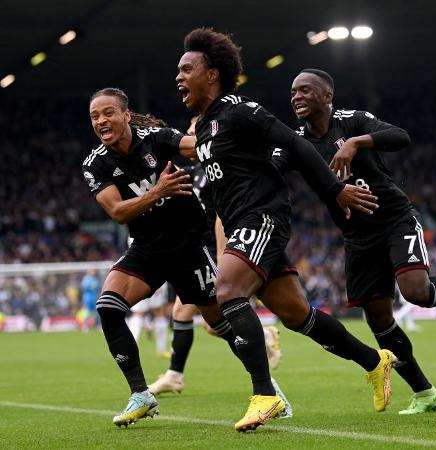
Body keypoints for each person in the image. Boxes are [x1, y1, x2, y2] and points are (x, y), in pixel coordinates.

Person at [176, 28, 397, 432]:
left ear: (212, 74)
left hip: (261, 218)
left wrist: (335, 190)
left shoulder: (241, 112)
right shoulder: (205, 127)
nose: (179, 77)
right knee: (299, 316)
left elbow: (297, 146)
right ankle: (374, 361)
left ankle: (266, 394)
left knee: (228, 292)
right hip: (241, 223)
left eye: (187, 69)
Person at [273, 67, 436, 414]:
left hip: (394, 218)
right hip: (357, 237)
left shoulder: (353, 121)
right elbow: (270, 168)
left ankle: (423, 389)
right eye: (293, 92)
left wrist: (356, 142)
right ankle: (424, 393)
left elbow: (400, 137)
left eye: (305, 90)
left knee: (416, 292)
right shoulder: (296, 141)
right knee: (378, 316)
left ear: (326, 96)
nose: (296, 97)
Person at [83, 87, 248, 427]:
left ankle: (267, 388)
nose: (101, 120)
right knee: (108, 307)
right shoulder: (95, 164)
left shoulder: (157, 139)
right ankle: (141, 394)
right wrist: (158, 190)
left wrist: (227, 137)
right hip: (146, 248)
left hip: (189, 245)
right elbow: (117, 211)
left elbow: (194, 148)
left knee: (221, 324)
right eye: (95, 116)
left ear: (126, 115)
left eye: (108, 112)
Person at [148, 118, 285, 397]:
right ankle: (175, 374)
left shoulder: (216, 171)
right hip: (199, 250)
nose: (183, 139)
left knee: (210, 322)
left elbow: (222, 218)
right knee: (184, 313)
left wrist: (224, 258)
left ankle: (262, 350)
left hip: (219, 249)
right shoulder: (194, 171)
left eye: (189, 134)